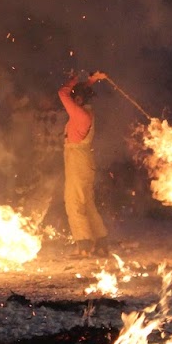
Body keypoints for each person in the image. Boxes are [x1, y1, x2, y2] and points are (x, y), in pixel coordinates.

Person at [58, 71, 109, 258]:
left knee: (74, 202)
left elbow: (62, 94)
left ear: (80, 99)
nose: (74, 99)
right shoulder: (86, 111)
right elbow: (79, 93)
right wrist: (92, 80)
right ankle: (101, 243)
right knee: (87, 203)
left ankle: (84, 246)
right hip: (83, 160)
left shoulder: (80, 114)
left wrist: (72, 80)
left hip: (78, 160)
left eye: (76, 97)